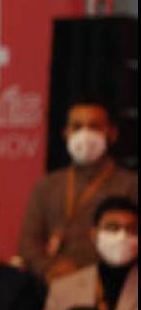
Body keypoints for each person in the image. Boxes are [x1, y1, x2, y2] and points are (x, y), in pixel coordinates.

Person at [18, 101, 138, 282]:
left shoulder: (130, 184)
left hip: (114, 282)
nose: (85, 134)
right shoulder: (48, 185)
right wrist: (49, 268)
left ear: (112, 134)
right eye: (77, 126)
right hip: (55, 282)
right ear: (66, 133)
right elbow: (28, 242)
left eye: (94, 126)